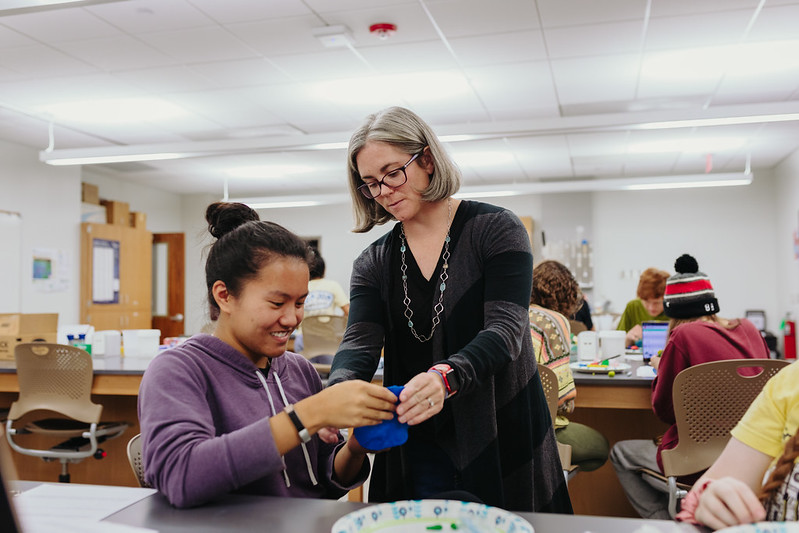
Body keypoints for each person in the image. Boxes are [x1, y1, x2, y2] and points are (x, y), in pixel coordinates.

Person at [328, 106, 572, 513]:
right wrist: (336, 394)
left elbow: (505, 331)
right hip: (416, 434)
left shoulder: (496, 229)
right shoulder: (373, 262)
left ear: (425, 158)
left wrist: (446, 377)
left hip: (498, 424)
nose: (384, 191)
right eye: (371, 183)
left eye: (392, 173)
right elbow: (359, 343)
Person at [138, 202, 397, 508]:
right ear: (224, 296)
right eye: (277, 303)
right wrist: (308, 415)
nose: (292, 319)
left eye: (300, 303)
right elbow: (182, 477)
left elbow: (325, 484)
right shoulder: (178, 370)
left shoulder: (299, 370)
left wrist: (354, 448)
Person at [610, 254, 770, 519]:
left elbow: (663, 410)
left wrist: (662, 366)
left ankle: (669, 524)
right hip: (751, 455)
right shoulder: (749, 328)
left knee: (620, 453)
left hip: (696, 460)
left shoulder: (683, 336)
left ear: (672, 309)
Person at [675, 361, 799, 529]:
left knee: (629, 453)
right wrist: (711, 497)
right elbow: (706, 495)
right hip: (725, 441)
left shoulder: (682, 336)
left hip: (697, 448)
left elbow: (664, 406)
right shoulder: (790, 382)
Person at [530, 260, 609, 472]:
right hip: (538, 428)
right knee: (599, 448)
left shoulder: (513, 313)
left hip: (501, 426)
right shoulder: (555, 321)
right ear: (567, 296)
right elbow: (562, 400)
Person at [617, 267, 670, 346]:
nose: (651, 308)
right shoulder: (633, 306)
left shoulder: (674, 309)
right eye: (646, 302)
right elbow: (616, 343)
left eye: (657, 303)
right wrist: (627, 339)